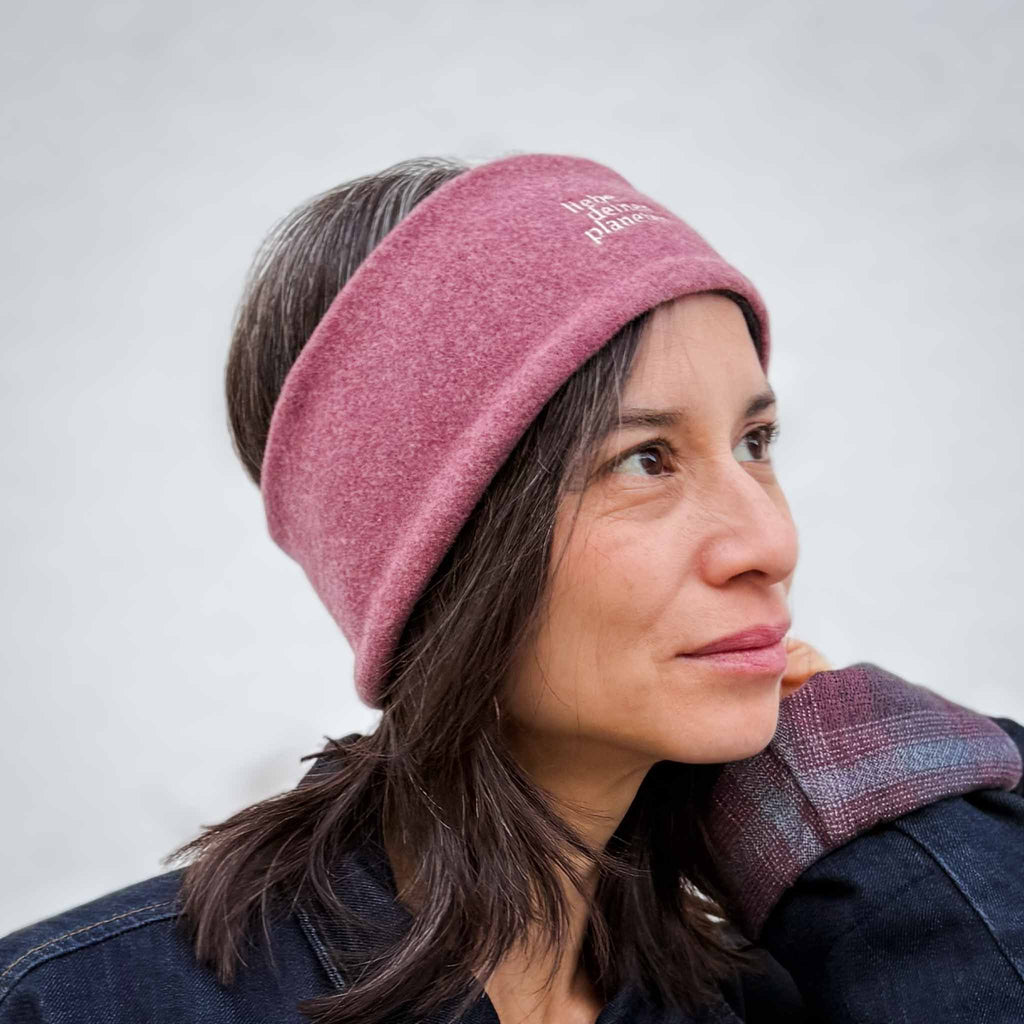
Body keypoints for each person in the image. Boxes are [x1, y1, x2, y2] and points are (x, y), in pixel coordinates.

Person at [1, 152, 1022, 1024]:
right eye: (645, 459)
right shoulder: (84, 1006)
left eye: (755, 442)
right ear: (442, 560)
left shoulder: (787, 993)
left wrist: (880, 814)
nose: (769, 539)